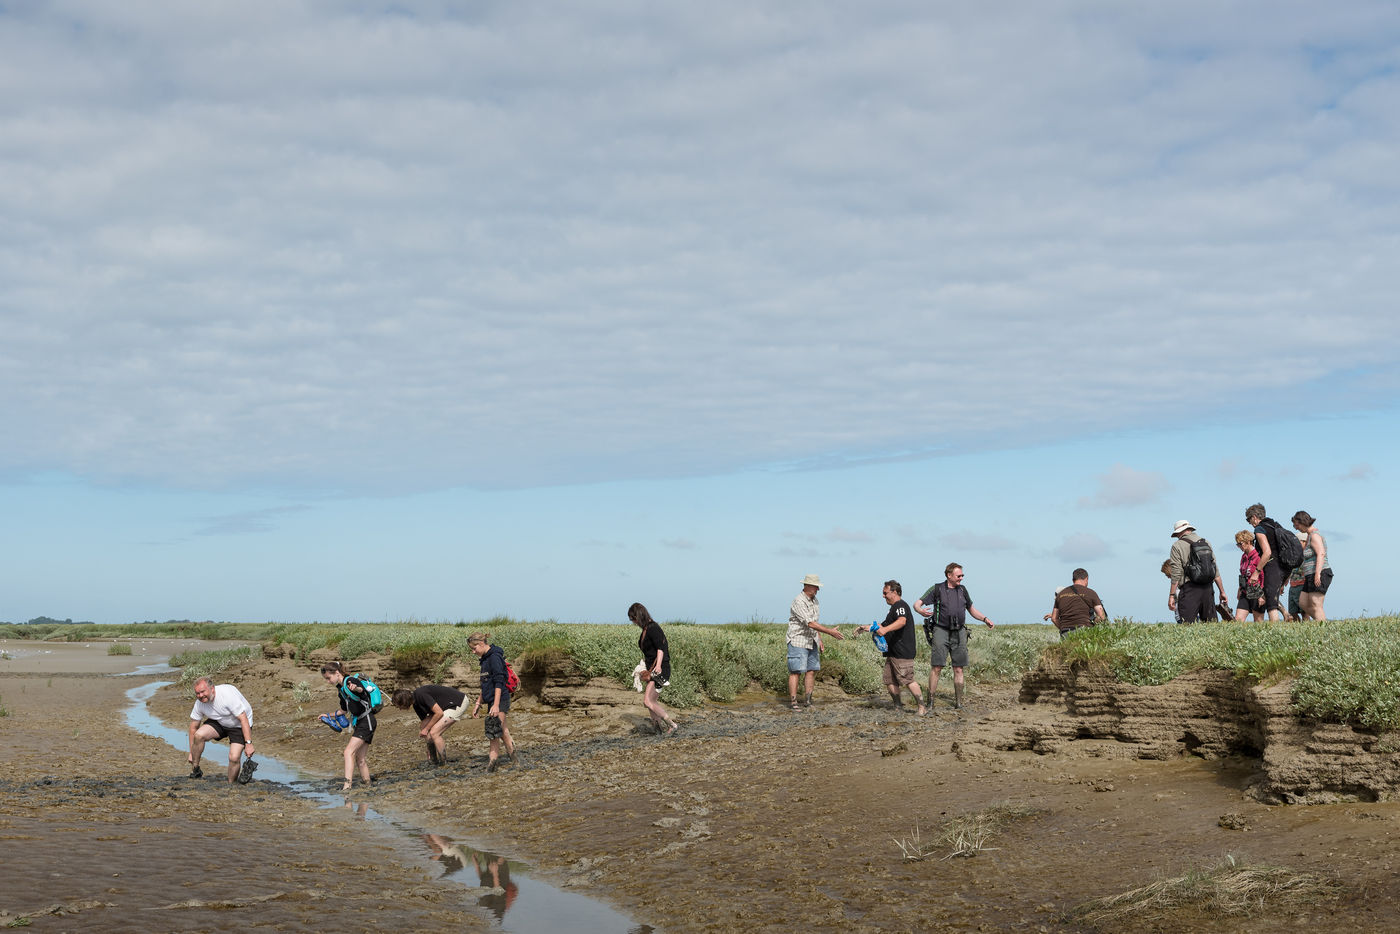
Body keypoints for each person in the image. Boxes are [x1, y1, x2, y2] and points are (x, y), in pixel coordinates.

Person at [914, 564, 993, 710]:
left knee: (959, 669)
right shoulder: (937, 589)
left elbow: (971, 609)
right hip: (940, 631)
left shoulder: (963, 590)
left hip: (959, 632)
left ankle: (959, 703)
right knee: (936, 667)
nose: (961, 578)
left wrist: (984, 619)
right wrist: (920, 611)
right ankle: (930, 703)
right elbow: (917, 604)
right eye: (959, 576)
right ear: (949, 575)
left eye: (962, 575)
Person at [786, 573, 846, 710]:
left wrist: (820, 639)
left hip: (811, 639)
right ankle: (794, 702)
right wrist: (830, 631)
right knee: (795, 671)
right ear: (807, 585)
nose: (817, 589)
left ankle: (808, 701)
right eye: (815, 587)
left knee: (811, 670)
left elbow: (815, 622)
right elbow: (810, 623)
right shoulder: (798, 601)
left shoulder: (815, 601)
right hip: (798, 639)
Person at [320, 662, 377, 791]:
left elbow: (361, 690)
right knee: (360, 758)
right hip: (361, 722)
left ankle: (347, 786)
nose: (328, 682)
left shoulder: (350, 680)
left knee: (348, 752)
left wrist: (355, 688)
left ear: (337, 673)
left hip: (366, 720)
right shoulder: (341, 690)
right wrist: (328, 715)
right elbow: (343, 710)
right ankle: (368, 786)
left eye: (329, 678)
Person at [187, 677, 256, 784]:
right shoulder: (199, 703)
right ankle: (195, 770)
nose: (200, 696)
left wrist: (248, 743)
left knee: (234, 757)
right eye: (197, 693)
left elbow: (243, 718)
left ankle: (231, 784)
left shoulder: (227, 695)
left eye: (203, 692)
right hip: (219, 721)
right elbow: (193, 727)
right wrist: (191, 752)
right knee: (199, 735)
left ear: (212, 689)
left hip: (238, 725)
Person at [468, 633, 521, 770]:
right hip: (492, 700)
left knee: (493, 731)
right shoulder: (484, 659)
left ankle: (492, 765)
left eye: (474, 649)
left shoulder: (495, 657)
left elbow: (499, 682)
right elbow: (486, 683)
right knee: (503, 731)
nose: (473, 652)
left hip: (501, 699)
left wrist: (496, 705)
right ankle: (515, 761)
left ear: (481, 644)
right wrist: (478, 704)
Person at [628, 604, 678, 736]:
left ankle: (672, 725)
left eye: (633, 619)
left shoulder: (653, 628)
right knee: (650, 702)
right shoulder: (645, 629)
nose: (633, 622)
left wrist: (659, 665)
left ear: (639, 616)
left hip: (660, 670)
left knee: (647, 701)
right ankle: (657, 729)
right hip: (652, 670)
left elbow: (661, 647)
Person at [1167, 520, 1229, 623]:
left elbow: (1176, 573)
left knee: (1187, 626)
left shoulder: (1177, 546)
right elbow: (1215, 569)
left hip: (1189, 589)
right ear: (1190, 529)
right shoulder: (1206, 542)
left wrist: (1172, 595)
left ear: (1179, 532)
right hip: (1208, 588)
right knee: (1211, 626)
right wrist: (1222, 591)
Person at [392, 684, 470, 765]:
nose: (400, 709)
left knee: (434, 733)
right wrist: (426, 733)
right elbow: (425, 724)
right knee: (423, 726)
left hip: (458, 702)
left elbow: (439, 713)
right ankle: (433, 760)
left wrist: (426, 729)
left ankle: (444, 763)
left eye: (400, 706)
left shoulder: (421, 694)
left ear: (404, 701)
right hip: (444, 707)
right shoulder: (416, 704)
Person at [1244, 504, 1289, 621]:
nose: (1249, 523)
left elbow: (1267, 552)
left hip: (1272, 567)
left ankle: (1275, 635)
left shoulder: (1259, 529)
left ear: (1254, 517)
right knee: (1270, 599)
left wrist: (1256, 572)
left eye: (1249, 519)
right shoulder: (1274, 525)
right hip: (1283, 568)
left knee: (1271, 605)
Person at [1292, 510, 1333, 621]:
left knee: (1316, 604)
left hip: (1320, 572)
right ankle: (1322, 622)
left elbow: (1321, 553)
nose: (1296, 528)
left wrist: (1317, 574)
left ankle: (1323, 627)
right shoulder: (1309, 535)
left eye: (1297, 525)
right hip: (1310, 575)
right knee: (1303, 603)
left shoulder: (1315, 535)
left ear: (1303, 522)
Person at [1050, 569, 1105, 637]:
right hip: (1084, 631)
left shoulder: (1061, 594)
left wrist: (1063, 629)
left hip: (1065, 632)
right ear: (1086, 579)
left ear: (1073, 580)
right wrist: (1094, 623)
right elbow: (1101, 616)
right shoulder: (1091, 593)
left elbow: (1054, 618)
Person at [1233, 530, 1267, 622]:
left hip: (1256, 591)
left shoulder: (1258, 556)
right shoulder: (1244, 556)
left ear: (1248, 542)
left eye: (1240, 544)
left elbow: (1263, 576)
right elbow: (1243, 574)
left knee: (1258, 622)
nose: (1239, 546)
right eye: (1238, 544)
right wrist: (1239, 589)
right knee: (1238, 619)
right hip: (1245, 591)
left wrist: (1261, 596)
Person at [1286, 532, 1307, 620]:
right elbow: (1290, 569)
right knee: (1292, 611)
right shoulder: (1294, 555)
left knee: (1304, 611)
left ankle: (1307, 628)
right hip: (1293, 584)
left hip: (1302, 585)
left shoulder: (1307, 555)